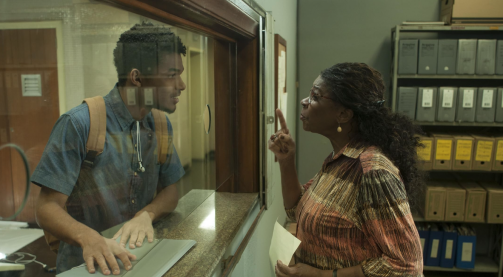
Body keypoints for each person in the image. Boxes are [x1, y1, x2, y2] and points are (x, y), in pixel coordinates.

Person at [33, 22, 187, 275]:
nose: (181, 85)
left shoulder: (159, 124)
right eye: (172, 75)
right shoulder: (79, 123)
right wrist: (88, 238)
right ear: (137, 78)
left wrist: (146, 214)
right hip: (87, 267)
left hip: (142, 261)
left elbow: (171, 191)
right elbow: (46, 209)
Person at [270, 62, 424, 277]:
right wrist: (286, 161)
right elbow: (297, 209)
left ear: (343, 114)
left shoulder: (372, 171)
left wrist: (322, 275)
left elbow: (407, 266)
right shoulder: (341, 158)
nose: (305, 102)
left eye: (315, 96)